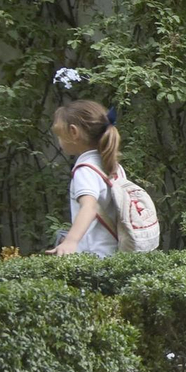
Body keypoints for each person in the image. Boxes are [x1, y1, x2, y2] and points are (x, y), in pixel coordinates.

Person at [48, 100, 122, 257]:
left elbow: (89, 207)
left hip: (95, 257)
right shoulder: (112, 165)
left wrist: (71, 241)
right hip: (116, 253)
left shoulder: (85, 170)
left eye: (59, 135)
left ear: (73, 132)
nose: (59, 141)